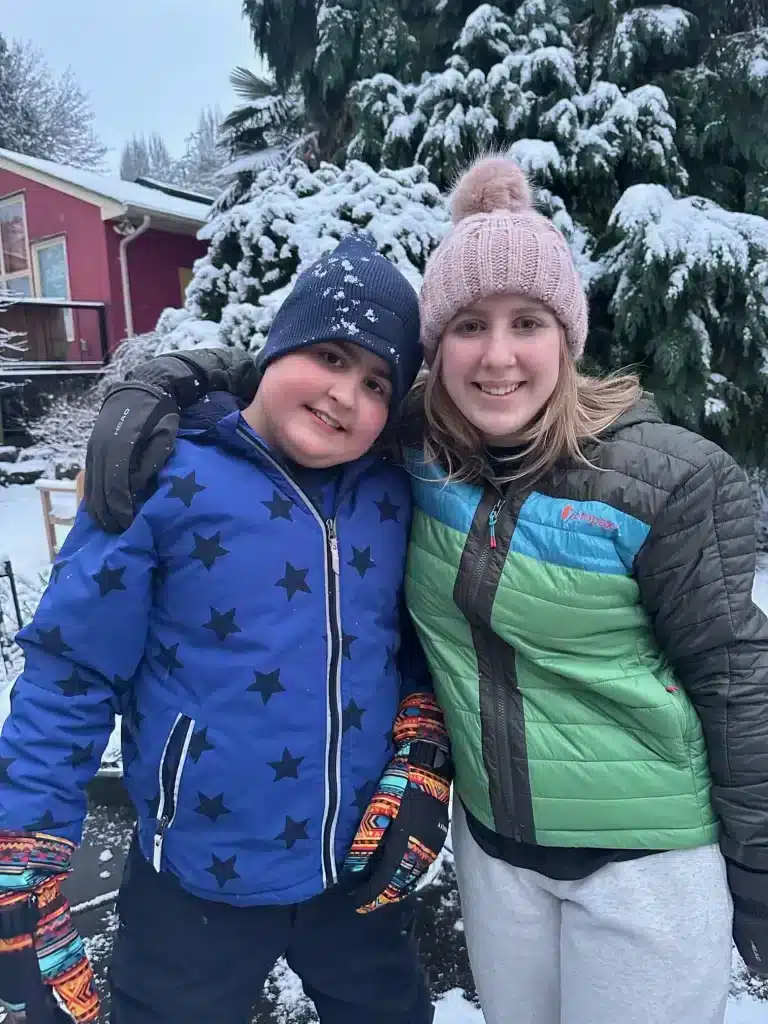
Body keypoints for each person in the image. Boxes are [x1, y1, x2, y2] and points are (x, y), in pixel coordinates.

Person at [83, 158, 768, 1024]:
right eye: (469, 325)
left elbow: (736, 676)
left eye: (528, 323)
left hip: (645, 864)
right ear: (436, 348)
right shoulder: (412, 441)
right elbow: (306, 372)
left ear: (568, 337)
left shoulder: (665, 477)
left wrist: (759, 862)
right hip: (499, 856)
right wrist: (164, 382)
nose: (498, 356)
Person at [0, 234, 452, 1024]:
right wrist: (28, 854)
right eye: (329, 355)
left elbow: (418, 645)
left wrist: (422, 750)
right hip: (196, 881)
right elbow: (72, 672)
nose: (346, 394)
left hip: (357, 871)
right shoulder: (162, 475)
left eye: (377, 381)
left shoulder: (392, 493)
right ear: (276, 348)